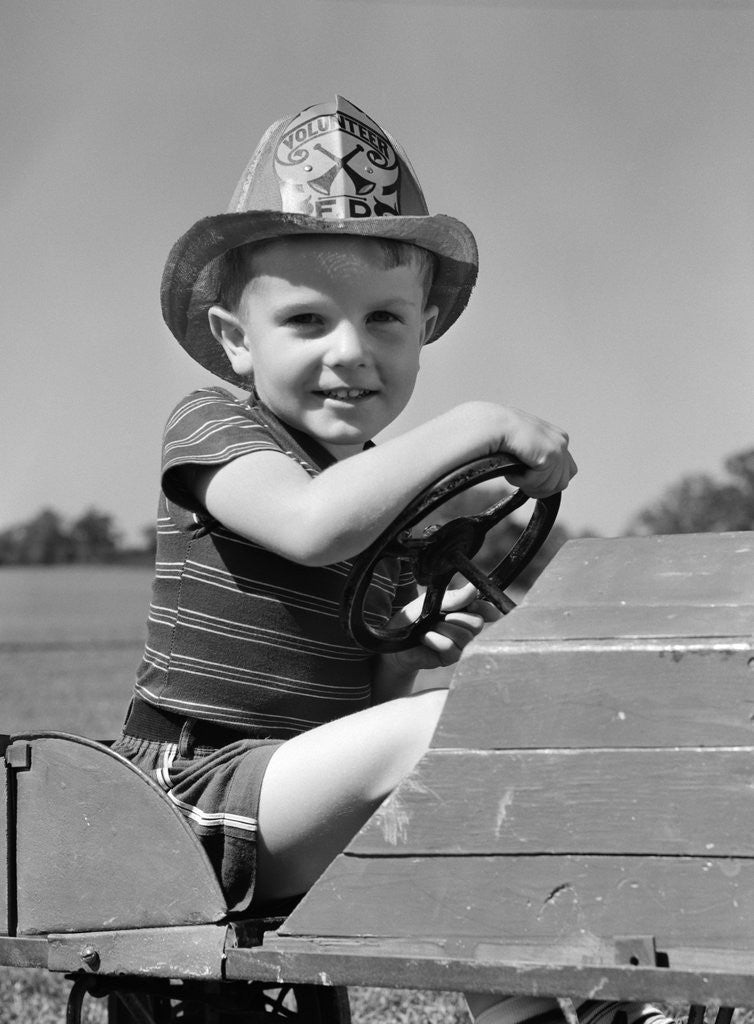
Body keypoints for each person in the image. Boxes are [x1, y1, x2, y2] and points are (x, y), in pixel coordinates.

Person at [114, 96, 668, 1024]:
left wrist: (403, 662)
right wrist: (478, 425)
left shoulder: (385, 500)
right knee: (452, 736)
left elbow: (353, 708)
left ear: (421, 331)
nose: (352, 353)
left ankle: (528, 1008)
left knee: (479, 733)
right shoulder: (217, 429)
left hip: (289, 793)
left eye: (384, 320)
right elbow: (309, 524)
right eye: (306, 321)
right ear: (234, 341)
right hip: (186, 803)